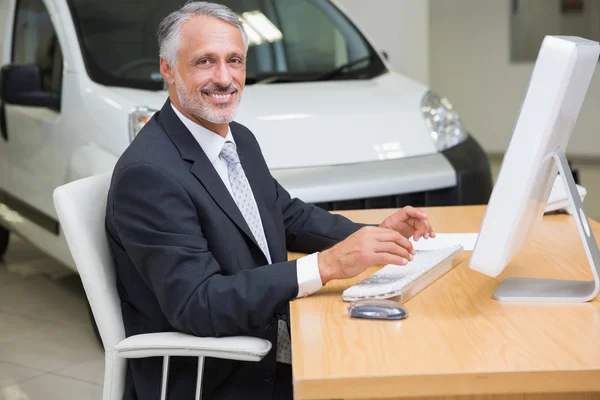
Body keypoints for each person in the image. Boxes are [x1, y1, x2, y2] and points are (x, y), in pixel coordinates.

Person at [105, 1, 436, 399]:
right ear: (168, 69)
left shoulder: (235, 137)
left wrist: (373, 234)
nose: (225, 78)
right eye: (205, 62)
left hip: (269, 341)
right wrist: (327, 265)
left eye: (235, 61)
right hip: (221, 376)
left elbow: (286, 214)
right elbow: (198, 303)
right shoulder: (149, 175)